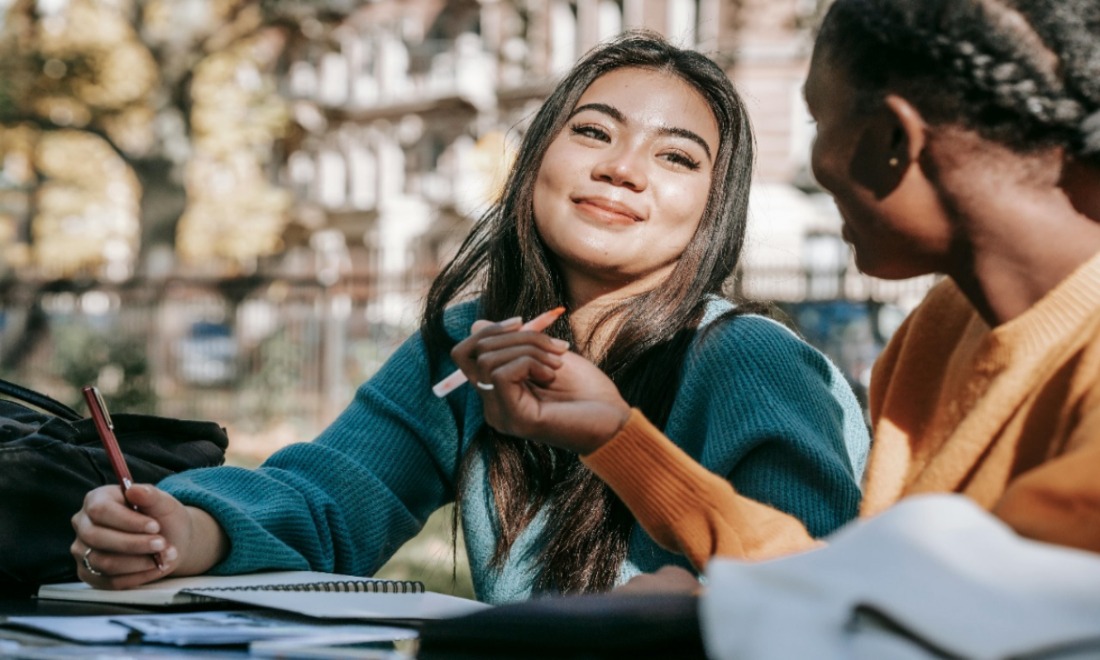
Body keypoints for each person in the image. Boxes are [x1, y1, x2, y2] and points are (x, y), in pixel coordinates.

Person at [70, 31, 870, 603]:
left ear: (713, 212)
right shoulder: (468, 343)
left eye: (676, 157)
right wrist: (185, 530)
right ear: (533, 165)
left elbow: (809, 588)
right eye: (592, 131)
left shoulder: (749, 359)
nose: (621, 169)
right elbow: (333, 499)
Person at [455, 0, 1100, 580]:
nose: (813, 159)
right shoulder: (940, 331)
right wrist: (616, 437)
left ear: (893, 141)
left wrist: (705, 618)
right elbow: (859, 591)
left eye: (818, 120)